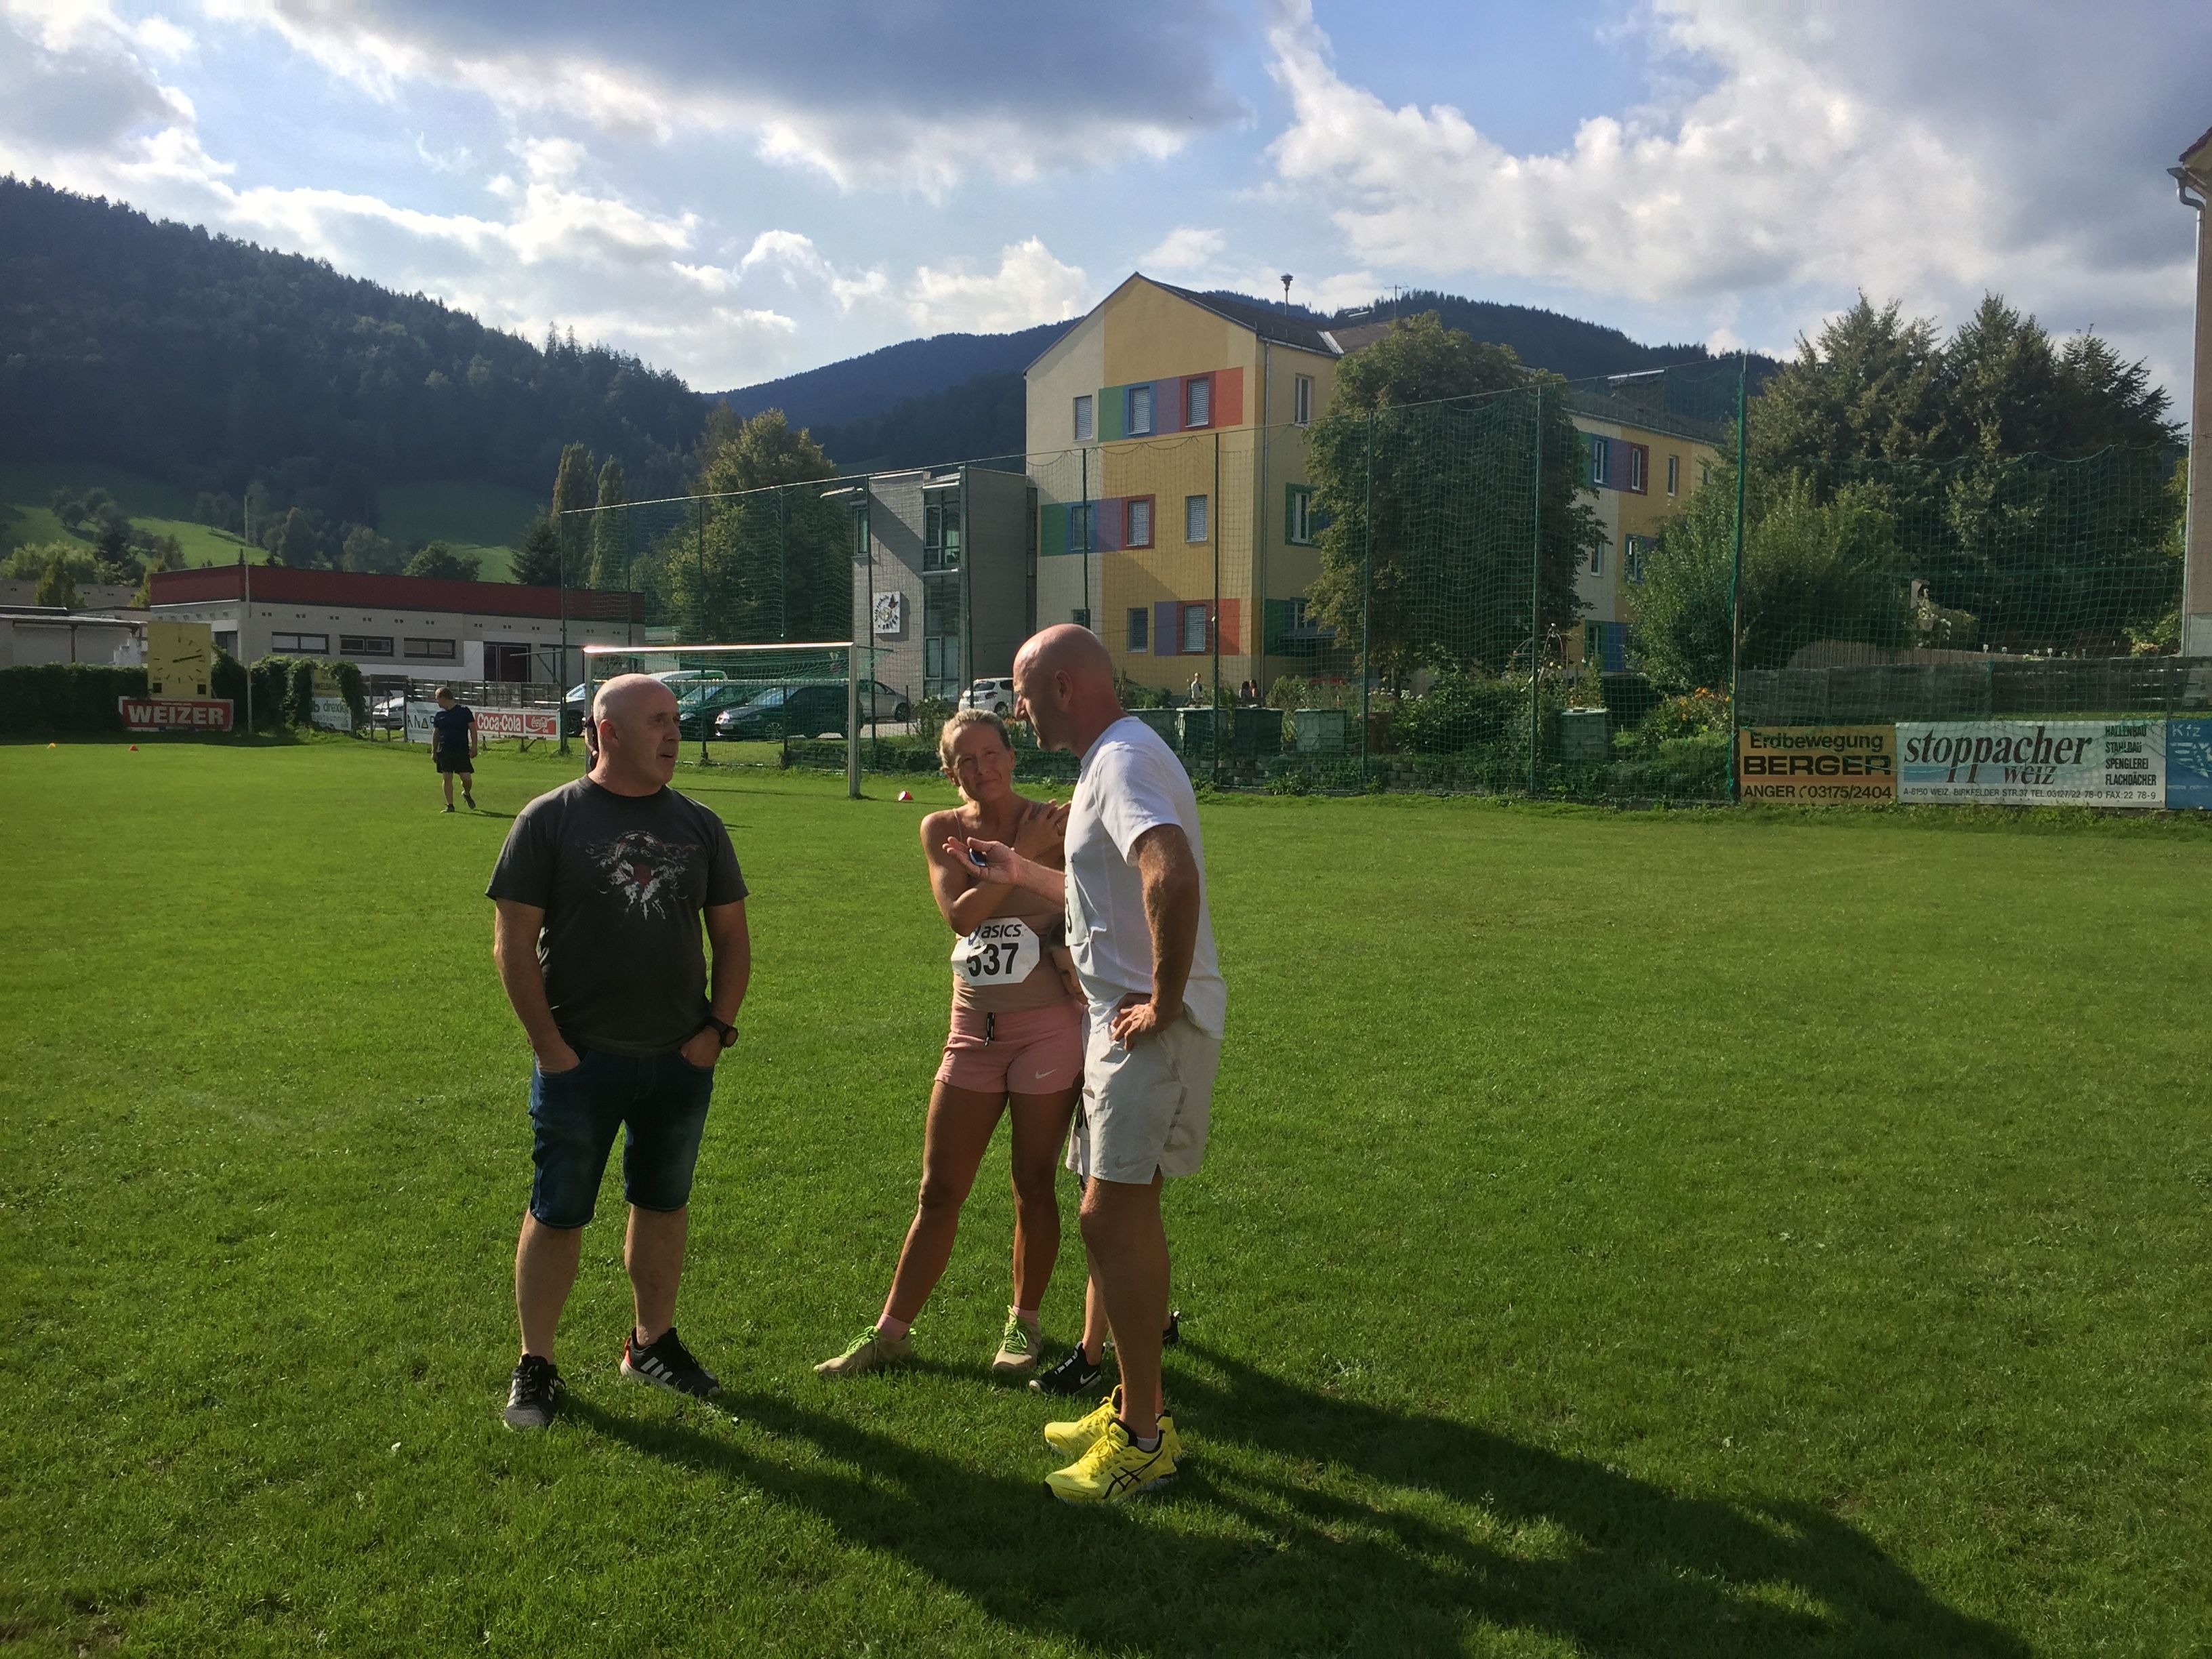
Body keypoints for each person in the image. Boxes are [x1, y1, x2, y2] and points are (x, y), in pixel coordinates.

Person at [956, 624, 1226, 1504]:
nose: (1019, 711)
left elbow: (1168, 873)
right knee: (1115, 1213)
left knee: (1111, 1216)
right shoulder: (1113, 757)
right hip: (1124, 1024)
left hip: (1144, 1027)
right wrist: (1016, 869)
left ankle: (1144, 1439)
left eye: (1024, 694)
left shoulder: (1121, 760)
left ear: (1065, 687)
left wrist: (1163, 998)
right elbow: (1099, 894)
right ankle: (1133, 1410)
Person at [485, 673, 751, 1430]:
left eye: (675, 720)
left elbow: (732, 940)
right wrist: (550, 1048)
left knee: (663, 1203)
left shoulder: (700, 824)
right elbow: (511, 944)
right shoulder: (550, 819)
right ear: (608, 732)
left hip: (679, 1059)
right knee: (559, 1211)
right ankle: (537, 1364)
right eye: (657, 721)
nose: (674, 733)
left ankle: (651, 1344)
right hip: (580, 1059)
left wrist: (715, 1031)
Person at [817, 710, 1086, 1381]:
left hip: (1047, 1030)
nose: (982, 768)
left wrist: (1021, 870)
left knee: (1032, 1183)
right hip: (972, 1031)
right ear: (948, 770)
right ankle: (890, 1333)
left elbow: (1090, 906)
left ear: (1012, 757)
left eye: (992, 753)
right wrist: (1020, 861)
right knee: (939, 1190)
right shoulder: (943, 829)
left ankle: (1024, 1324)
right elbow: (961, 917)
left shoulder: (1058, 822)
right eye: (966, 759)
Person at [431, 687, 478, 811]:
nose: (436, 701)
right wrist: (434, 751)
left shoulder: (463, 711)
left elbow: (473, 730)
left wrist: (474, 746)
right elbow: (436, 734)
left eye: (437, 698)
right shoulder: (439, 715)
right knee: (447, 777)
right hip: (445, 750)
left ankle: (466, 793)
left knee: (466, 778)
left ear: (444, 698)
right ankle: (450, 805)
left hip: (461, 750)